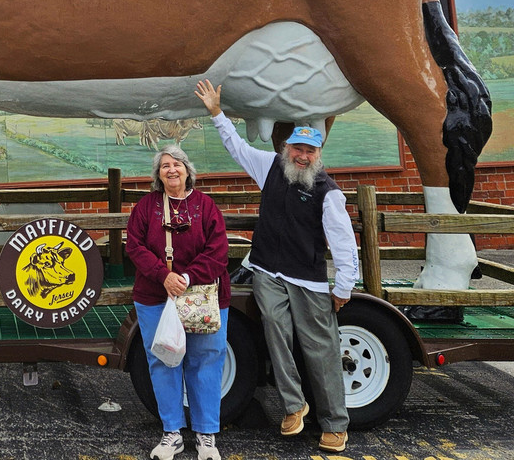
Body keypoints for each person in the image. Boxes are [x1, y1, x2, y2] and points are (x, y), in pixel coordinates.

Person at [194, 79, 359, 455]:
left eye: (310, 151)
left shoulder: (328, 192)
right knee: (274, 331)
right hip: (268, 271)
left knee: (321, 350)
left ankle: (335, 423)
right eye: (298, 148)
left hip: (309, 281)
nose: (303, 156)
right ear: (287, 148)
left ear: (319, 154)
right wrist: (217, 113)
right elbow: (236, 147)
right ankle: (293, 405)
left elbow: (344, 243)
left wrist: (343, 288)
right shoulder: (269, 165)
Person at [127, 145, 231, 460]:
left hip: (204, 297)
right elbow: (135, 245)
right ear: (158, 175)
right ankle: (172, 433)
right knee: (163, 361)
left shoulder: (206, 206)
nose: (172, 170)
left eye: (177, 164)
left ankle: (206, 437)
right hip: (156, 297)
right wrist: (163, 275)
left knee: (206, 363)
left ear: (188, 170)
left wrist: (186, 277)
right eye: (165, 166)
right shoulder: (145, 207)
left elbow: (218, 250)